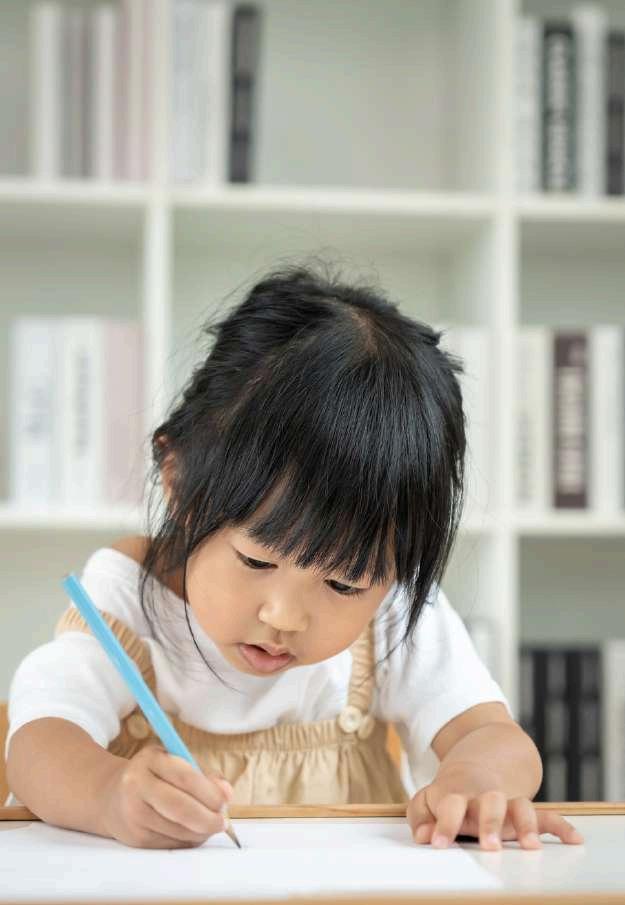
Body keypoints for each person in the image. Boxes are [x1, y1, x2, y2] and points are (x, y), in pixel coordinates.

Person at [5, 263, 583, 852]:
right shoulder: (126, 606)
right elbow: (38, 744)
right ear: (178, 484)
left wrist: (478, 780)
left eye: (343, 585)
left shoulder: (391, 614)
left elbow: (493, 736)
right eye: (257, 561)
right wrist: (107, 794)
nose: (284, 615)